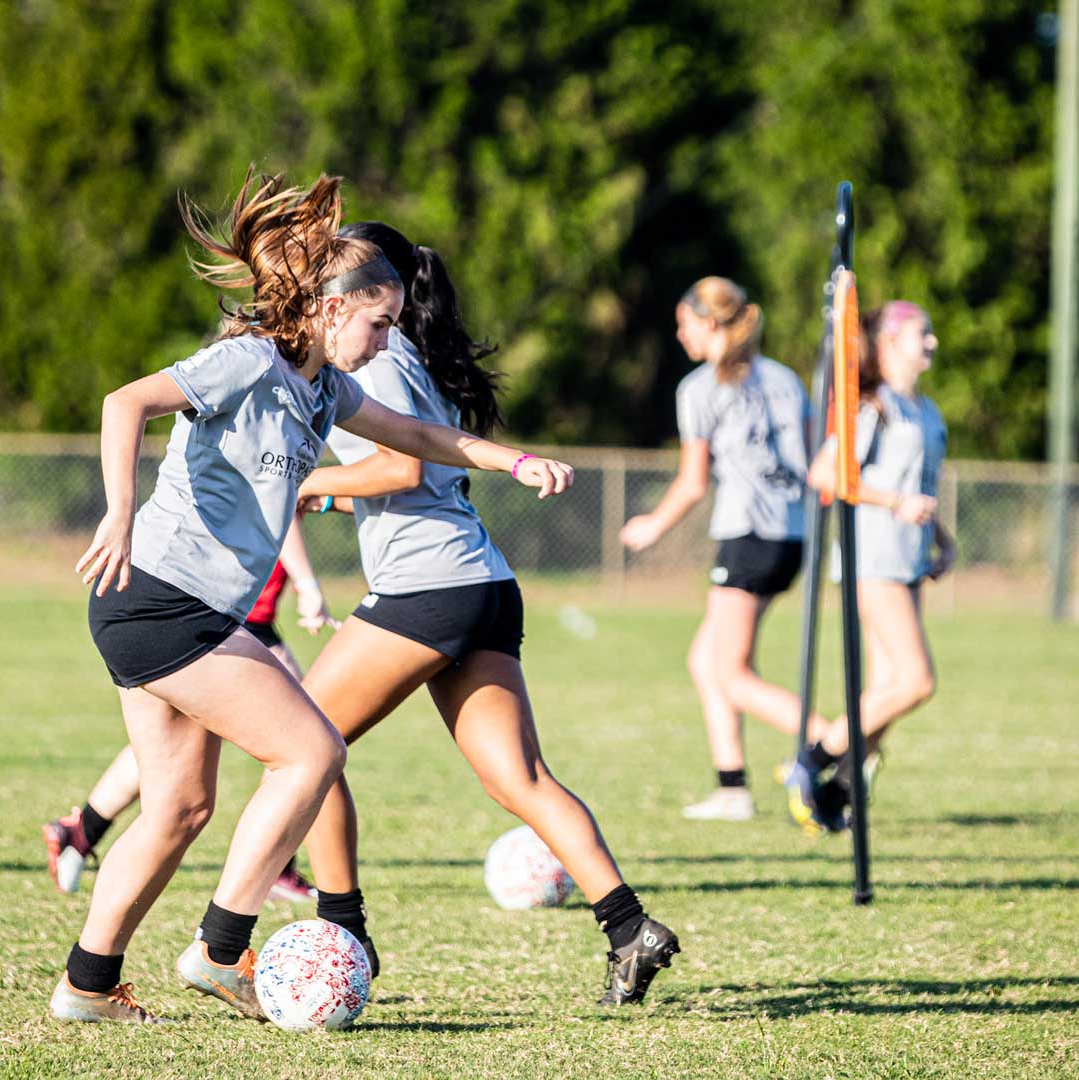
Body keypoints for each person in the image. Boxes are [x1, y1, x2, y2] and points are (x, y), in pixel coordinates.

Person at [49, 171, 572, 1025]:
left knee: (178, 808)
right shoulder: (250, 360)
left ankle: (87, 984)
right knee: (312, 752)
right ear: (331, 309)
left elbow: (418, 436)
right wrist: (116, 513)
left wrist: (512, 460)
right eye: (380, 322)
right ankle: (220, 951)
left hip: (184, 611)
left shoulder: (324, 386)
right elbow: (126, 402)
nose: (388, 337)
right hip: (160, 599)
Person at [293, 221, 679, 1007]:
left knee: (299, 743)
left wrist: (305, 485)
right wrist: (328, 496)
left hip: (426, 585)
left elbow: (401, 469)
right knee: (520, 779)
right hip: (479, 580)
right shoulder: (404, 353)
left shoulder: (379, 358)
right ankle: (629, 926)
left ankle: (344, 930)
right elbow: (420, 476)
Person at [620, 277, 827, 822]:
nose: (679, 334)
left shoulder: (700, 388)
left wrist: (652, 526)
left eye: (684, 323)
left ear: (709, 323)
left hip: (747, 538)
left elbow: (693, 483)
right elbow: (814, 460)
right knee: (704, 660)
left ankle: (833, 741)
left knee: (731, 674)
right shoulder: (785, 379)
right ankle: (732, 787)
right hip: (792, 536)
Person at [42, 518, 334, 903]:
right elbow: (287, 513)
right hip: (232, 613)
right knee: (302, 735)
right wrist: (308, 583)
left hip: (214, 605)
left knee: (173, 747)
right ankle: (276, 866)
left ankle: (82, 831)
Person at [787, 300, 953, 831]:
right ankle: (812, 758)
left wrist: (941, 540)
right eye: (923, 333)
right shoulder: (871, 407)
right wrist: (896, 504)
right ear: (890, 342)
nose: (932, 342)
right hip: (873, 559)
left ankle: (837, 789)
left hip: (908, 559)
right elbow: (826, 475)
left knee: (887, 689)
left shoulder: (926, 410)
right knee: (916, 682)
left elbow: (918, 488)